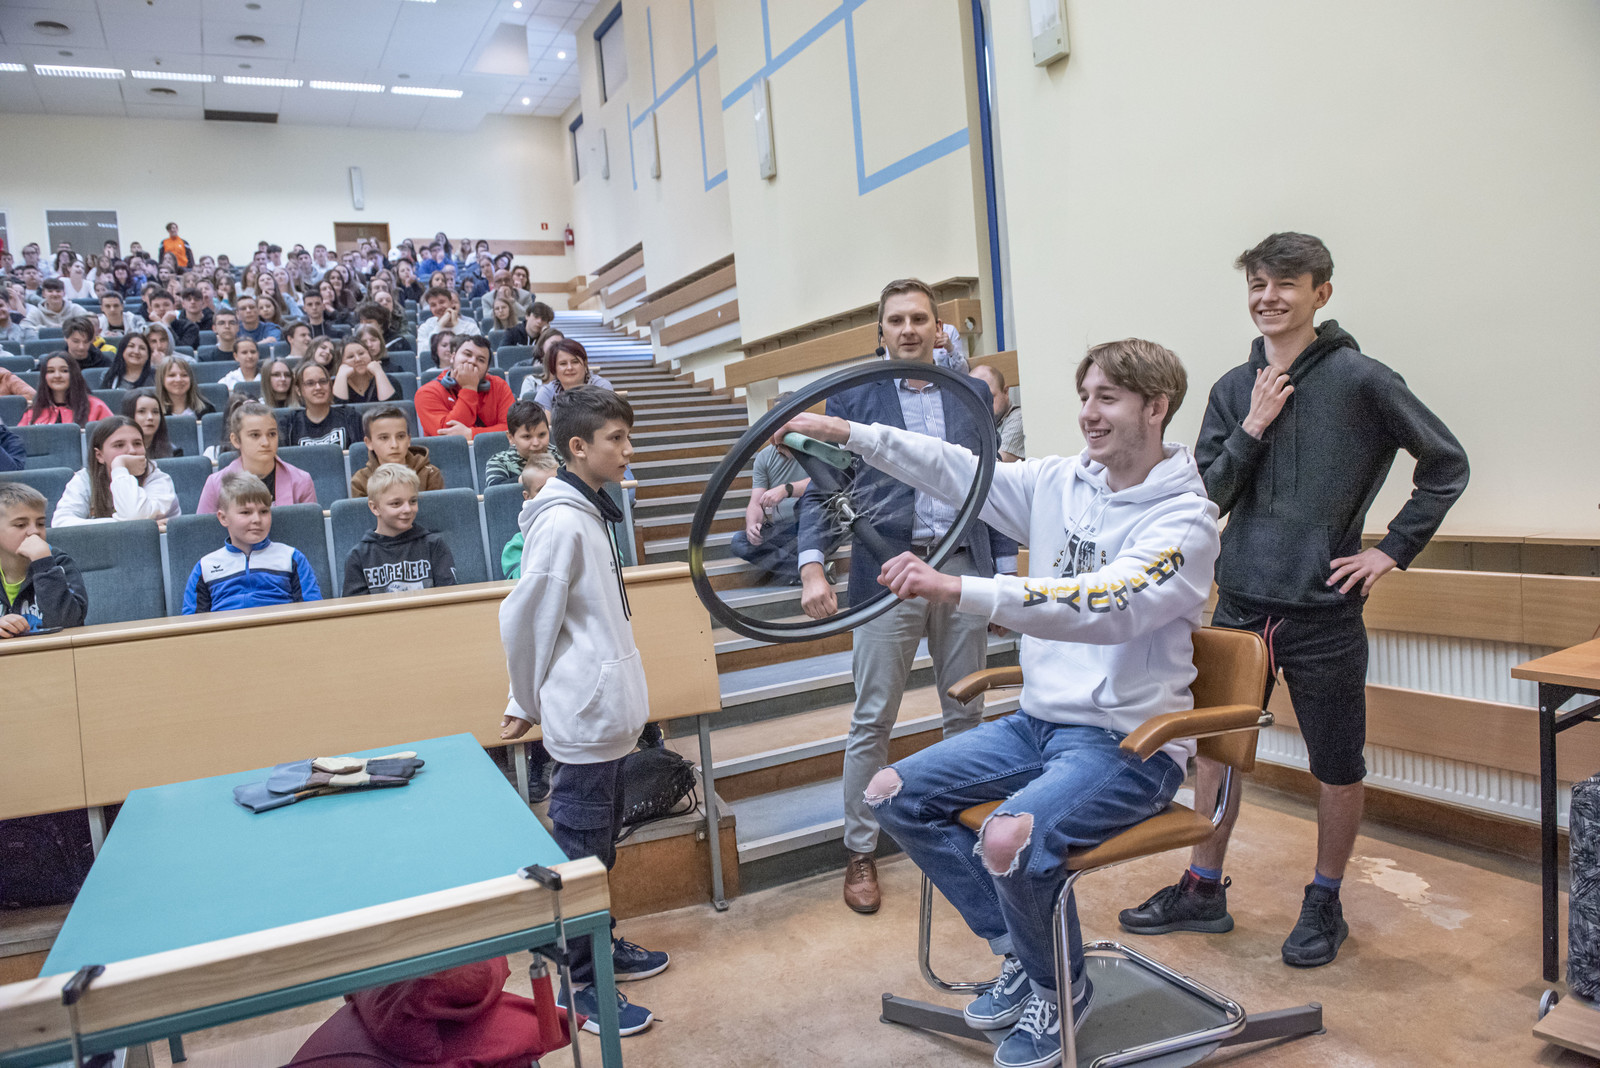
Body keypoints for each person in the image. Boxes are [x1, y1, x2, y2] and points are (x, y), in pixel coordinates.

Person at [778, 336, 1216, 1065]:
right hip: (1038, 727)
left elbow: (1106, 604)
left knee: (1009, 839)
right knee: (892, 793)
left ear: (1156, 408)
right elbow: (952, 466)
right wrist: (847, 432)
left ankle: (1056, 988)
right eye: (1084, 397)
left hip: (1130, 745)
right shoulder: (1060, 481)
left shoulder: (1186, 520)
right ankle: (1027, 952)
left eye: (1107, 399)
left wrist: (961, 588)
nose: (1088, 414)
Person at [1119, 232, 1470, 969]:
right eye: (1257, 284)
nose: (1268, 297)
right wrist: (1252, 424)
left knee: (1335, 765)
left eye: (1285, 283)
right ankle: (1202, 888)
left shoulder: (1365, 381)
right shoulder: (1230, 388)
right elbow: (1207, 499)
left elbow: (1446, 464)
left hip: (1323, 611)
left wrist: (1391, 550)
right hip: (1241, 607)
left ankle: (1324, 899)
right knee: (1217, 754)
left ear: (1321, 293)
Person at [796, 278, 1016, 915]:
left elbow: (993, 487)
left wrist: (1003, 578)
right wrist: (813, 568)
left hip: (961, 567)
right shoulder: (854, 396)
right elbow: (824, 486)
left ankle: (960, 836)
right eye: (897, 320)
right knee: (873, 718)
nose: (909, 329)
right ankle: (860, 849)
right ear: (882, 332)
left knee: (966, 712)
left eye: (920, 318)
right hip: (885, 573)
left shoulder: (971, 394)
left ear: (938, 329)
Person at [499, 387, 669, 1036]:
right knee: (578, 853)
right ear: (577, 447)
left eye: (628, 438)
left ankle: (600, 940)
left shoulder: (590, 511)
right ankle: (580, 981)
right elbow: (526, 618)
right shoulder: (562, 522)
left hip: (609, 717)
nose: (628, 451)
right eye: (615, 440)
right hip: (584, 716)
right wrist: (523, 699)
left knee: (600, 850)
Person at [183, 472, 322, 614]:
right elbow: (192, 621)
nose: (257, 519)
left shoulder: (292, 558)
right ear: (223, 518)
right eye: (245, 512)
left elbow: (312, 611)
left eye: (264, 511)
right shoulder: (205, 567)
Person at [341, 464, 458, 597]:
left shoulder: (434, 546)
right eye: (396, 503)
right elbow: (356, 607)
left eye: (413, 501)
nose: (407, 509)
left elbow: (449, 599)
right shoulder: (358, 556)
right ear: (374, 508)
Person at [52, 416, 180, 527]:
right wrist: (118, 523)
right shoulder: (85, 479)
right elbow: (61, 523)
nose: (132, 451)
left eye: (137, 443)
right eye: (119, 445)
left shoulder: (158, 479)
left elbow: (134, 515)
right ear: (99, 455)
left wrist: (119, 467)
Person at [0, 482, 87, 638]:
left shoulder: (59, 563)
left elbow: (69, 624)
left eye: (40, 524)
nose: (34, 531)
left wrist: (44, 565)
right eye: (20, 525)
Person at [197, 401, 317, 512]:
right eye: (255, 435)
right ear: (236, 440)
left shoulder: (302, 481)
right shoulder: (215, 485)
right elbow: (204, 528)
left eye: (272, 434)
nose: (266, 442)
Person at [730, 431, 815, 585]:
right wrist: (752, 527)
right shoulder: (764, 457)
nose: (777, 448)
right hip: (786, 531)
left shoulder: (814, 448)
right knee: (739, 541)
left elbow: (825, 482)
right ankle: (806, 572)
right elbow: (755, 503)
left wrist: (787, 489)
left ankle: (798, 571)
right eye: (774, 444)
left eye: (781, 444)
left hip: (815, 527)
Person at [415, 336, 512, 439]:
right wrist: (469, 388)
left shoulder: (499, 386)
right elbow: (446, 435)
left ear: (487, 370)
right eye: (467, 354)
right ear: (452, 357)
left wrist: (472, 434)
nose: (472, 361)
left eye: (481, 360)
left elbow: (512, 430)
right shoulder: (427, 392)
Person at [350, 405, 444, 497]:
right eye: (384, 438)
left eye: (401, 436)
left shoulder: (430, 473)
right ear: (369, 443)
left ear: (408, 440)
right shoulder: (360, 481)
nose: (394, 445)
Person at [499, 455, 560, 581]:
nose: (551, 494)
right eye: (542, 490)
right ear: (527, 497)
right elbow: (522, 582)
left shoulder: (581, 527)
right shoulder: (517, 545)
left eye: (556, 486)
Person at [279, 362, 363, 449]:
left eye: (323, 381)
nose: (318, 387)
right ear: (298, 391)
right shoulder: (289, 424)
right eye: (310, 383)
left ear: (330, 385)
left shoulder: (350, 417)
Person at [21, 355, 112, 426]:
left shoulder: (96, 406)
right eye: (51, 371)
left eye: (64, 371)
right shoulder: (34, 411)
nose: (57, 376)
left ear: (74, 374)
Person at [530, 339, 614, 412]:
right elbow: (543, 424)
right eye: (563, 364)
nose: (569, 368)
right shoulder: (547, 393)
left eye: (575, 362)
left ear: (585, 364)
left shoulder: (601, 387)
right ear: (554, 369)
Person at [483, 401, 553, 488]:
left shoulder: (561, 455)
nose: (536, 443)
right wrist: (531, 478)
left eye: (542, 434)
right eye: (527, 437)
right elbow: (495, 490)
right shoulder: (498, 461)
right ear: (510, 437)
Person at [971, 364, 1025, 462]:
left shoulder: (1019, 419)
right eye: (976, 399)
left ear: (1005, 392)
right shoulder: (974, 422)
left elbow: (995, 465)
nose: (983, 404)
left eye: (990, 397)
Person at [415, 284, 480, 358]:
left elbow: (475, 353)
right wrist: (439, 326)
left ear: (451, 303)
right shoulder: (425, 328)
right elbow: (423, 355)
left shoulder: (471, 327)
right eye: (433, 305)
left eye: (442, 302)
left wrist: (456, 325)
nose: (438, 307)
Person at [331, 337, 398, 404]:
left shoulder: (389, 380)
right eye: (350, 357)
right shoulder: (331, 385)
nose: (358, 359)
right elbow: (339, 408)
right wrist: (342, 376)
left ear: (369, 355)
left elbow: (392, 407)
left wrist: (378, 372)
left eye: (361, 353)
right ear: (341, 363)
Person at [122, 388, 181, 458]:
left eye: (155, 412)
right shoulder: (118, 452)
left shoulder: (173, 452)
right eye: (142, 411)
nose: (150, 417)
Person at [24, 279, 91, 331]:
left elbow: (90, 323)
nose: (55, 294)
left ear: (64, 293)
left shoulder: (75, 309)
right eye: (50, 291)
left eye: (58, 291)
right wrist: (46, 329)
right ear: (43, 294)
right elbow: (25, 327)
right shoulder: (36, 312)